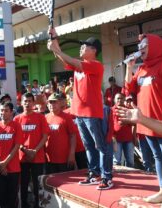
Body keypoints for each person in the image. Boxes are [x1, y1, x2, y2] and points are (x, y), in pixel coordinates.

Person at [47, 28, 113, 190]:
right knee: (88, 146)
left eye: (85, 46)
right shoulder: (78, 67)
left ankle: (107, 177)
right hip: (80, 113)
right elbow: (61, 56)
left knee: (100, 146)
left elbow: (69, 59)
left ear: (94, 50)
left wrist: (56, 48)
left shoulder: (96, 66)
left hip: (92, 113)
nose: (81, 48)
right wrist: (54, 37)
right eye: (81, 46)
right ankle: (94, 173)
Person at [125, 34, 162, 207]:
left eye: (144, 45)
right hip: (146, 121)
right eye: (139, 45)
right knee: (158, 157)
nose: (140, 48)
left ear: (156, 46)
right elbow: (129, 87)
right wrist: (129, 68)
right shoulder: (142, 68)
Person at [15, 93, 49, 208]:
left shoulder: (40, 117)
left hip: (37, 156)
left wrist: (34, 151)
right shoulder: (17, 118)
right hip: (22, 157)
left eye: (30, 101)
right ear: (21, 103)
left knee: (37, 185)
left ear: (34, 103)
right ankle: (24, 204)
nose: (27, 103)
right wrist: (24, 150)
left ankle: (37, 205)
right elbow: (15, 139)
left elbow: (45, 136)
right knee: (23, 184)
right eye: (25, 101)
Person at [0, 102, 22, 208]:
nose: (3, 113)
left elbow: (17, 146)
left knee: (12, 198)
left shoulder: (16, 126)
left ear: (11, 112)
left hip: (13, 169)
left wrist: (5, 163)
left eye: (6, 110)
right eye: (2, 110)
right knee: (2, 197)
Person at [45, 93, 76, 174]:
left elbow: (73, 136)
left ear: (60, 103)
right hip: (49, 158)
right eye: (50, 102)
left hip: (64, 158)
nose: (52, 104)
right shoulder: (45, 118)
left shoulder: (66, 117)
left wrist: (72, 154)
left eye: (55, 102)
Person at [111, 93, 135, 167]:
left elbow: (134, 124)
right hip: (116, 140)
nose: (119, 100)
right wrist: (112, 138)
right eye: (118, 98)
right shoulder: (110, 110)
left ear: (124, 100)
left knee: (130, 162)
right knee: (116, 162)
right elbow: (108, 125)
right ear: (114, 100)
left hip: (128, 139)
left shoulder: (128, 110)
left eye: (121, 98)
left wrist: (134, 138)